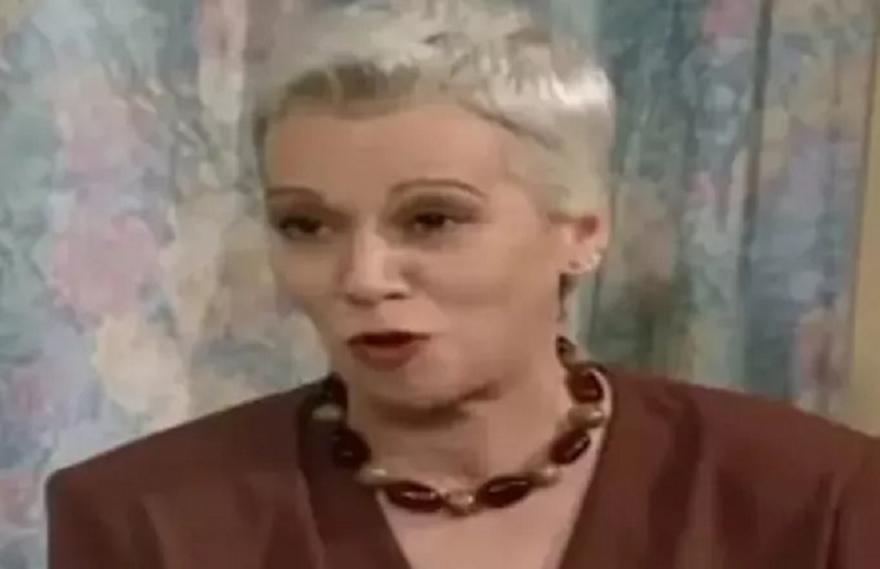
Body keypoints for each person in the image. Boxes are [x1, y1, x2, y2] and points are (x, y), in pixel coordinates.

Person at [46, 1, 880, 567]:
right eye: (306, 225)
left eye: (432, 219)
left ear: (582, 230)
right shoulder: (144, 518)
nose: (364, 278)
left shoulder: (813, 498)